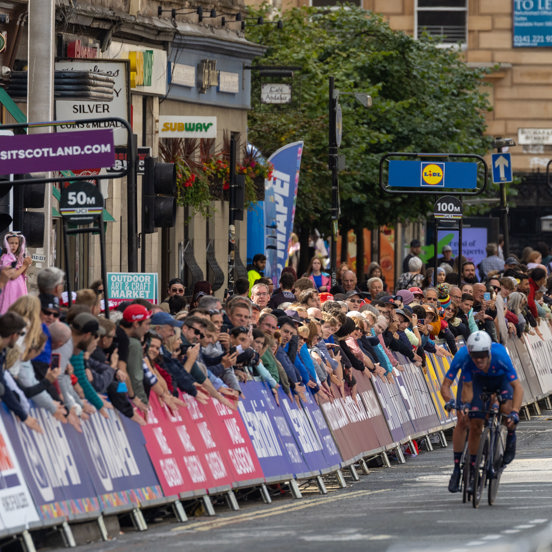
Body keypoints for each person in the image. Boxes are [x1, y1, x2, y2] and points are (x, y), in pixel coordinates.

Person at [444, 331, 523, 493]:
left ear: (488, 352)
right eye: (475, 356)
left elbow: (518, 388)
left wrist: (515, 412)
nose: (479, 359)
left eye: (482, 355)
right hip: (477, 383)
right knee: (470, 422)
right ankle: (461, 469)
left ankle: (510, 437)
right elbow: (464, 388)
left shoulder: (500, 355)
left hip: (500, 381)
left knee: (507, 410)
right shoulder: (464, 358)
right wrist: (463, 406)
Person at [0, 232, 32, 314]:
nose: (14, 245)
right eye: (11, 243)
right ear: (6, 244)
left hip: (18, 288)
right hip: (10, 288)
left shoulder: (16, 258)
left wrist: (26, 264)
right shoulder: (6, 257)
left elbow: (22, 274)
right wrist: (24, 266)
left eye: (16, 243)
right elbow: (13, 276)